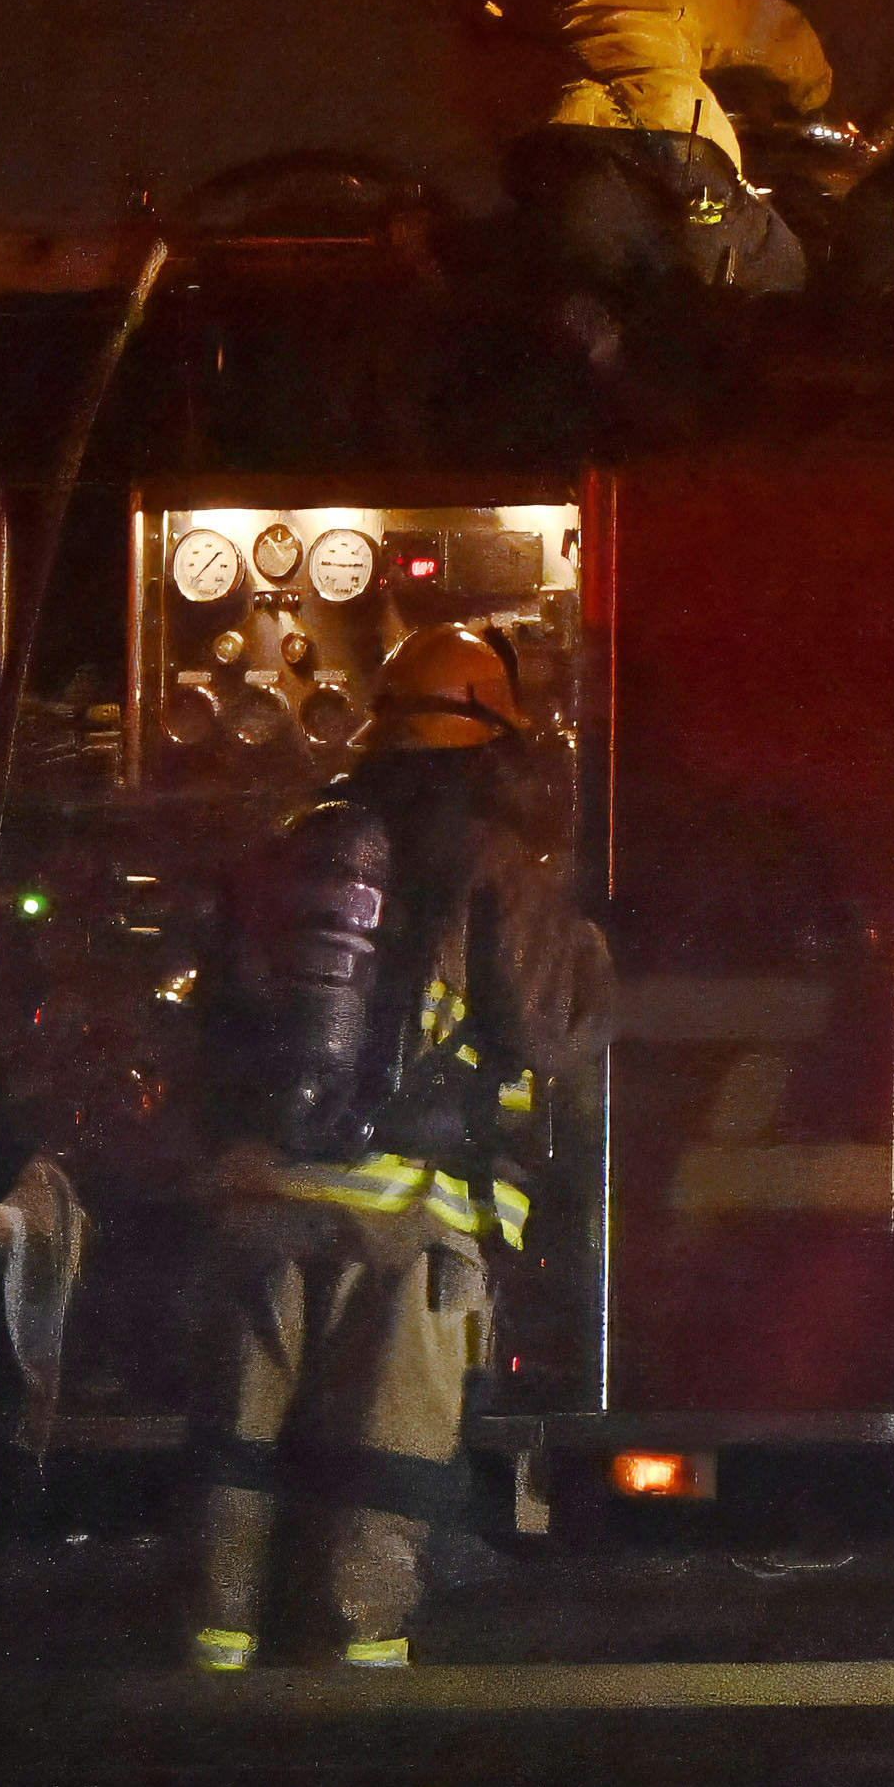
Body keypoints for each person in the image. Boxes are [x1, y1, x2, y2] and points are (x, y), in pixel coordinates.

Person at [182, 618, 585, 1670]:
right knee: (383, 1473)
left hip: (257, 1205)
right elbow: (548, 1030)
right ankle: (355, 1710)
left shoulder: (286, 845)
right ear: (491, 739)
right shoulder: (496, 867)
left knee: (239, 1459)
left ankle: (212, 1675)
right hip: (403, 1226)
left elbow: (209, 1015)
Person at [428, 0, 835, 306]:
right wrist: (812, 97)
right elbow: (772, 31)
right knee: (787, 268)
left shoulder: (476, 34)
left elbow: (487, 134)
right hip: (684, 167)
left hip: (569, 183)